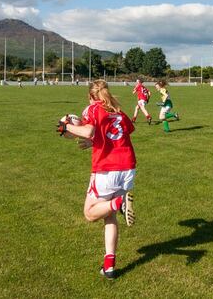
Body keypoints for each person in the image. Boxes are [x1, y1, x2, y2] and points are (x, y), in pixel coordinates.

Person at [58, 80, 136, 279]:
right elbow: (121, 134)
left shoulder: (92, 108)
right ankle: (109, 264)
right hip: (127, 167)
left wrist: (65, 126)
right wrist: (94, 142)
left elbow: (88, 130)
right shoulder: (117, 110)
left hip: (107, 169)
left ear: (90, 96)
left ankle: (120, 202)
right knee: (109, 216)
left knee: (90, 213)